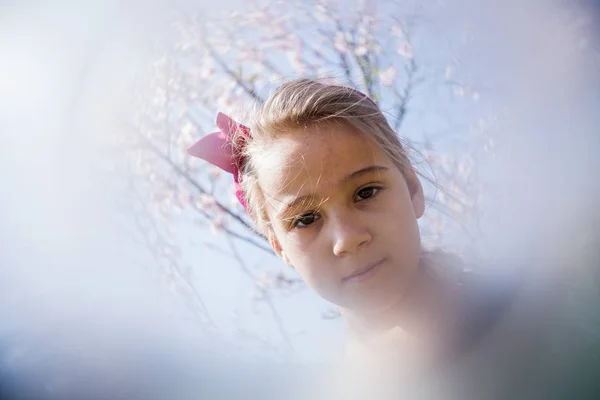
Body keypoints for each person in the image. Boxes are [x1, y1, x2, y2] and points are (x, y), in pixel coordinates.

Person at [187, 78, 599, 398]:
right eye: (306, 219)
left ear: (413, 190)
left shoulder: (536, 316)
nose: (347, 238)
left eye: (366, 192)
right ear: (280, 248)